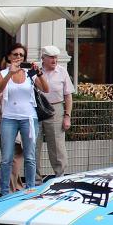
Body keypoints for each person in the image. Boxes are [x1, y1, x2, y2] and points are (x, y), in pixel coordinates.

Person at [0, 44, 49, 193]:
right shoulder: (4, 72)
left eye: (21, 55)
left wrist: (39, 73)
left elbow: (46, 89)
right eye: (15, 54)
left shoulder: (29, 73)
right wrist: (9, 74)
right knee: (7, 157)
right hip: (9, 117)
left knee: (30, 156)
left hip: (29, 117)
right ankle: (5, 191)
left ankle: (30, 189)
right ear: (9, 57)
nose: (18, 57)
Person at [37, 45, 75, 177]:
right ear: (43, 58)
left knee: (57, 146)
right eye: (51, 57)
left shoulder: (62, 71)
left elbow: (68, 95)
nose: (54, 60)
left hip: (55, 108)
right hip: (36, 108)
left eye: (56, 57)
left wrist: (67, 116)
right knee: (34, 145)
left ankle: (60, 177)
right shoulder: (35, 70)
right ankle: (35, 179)